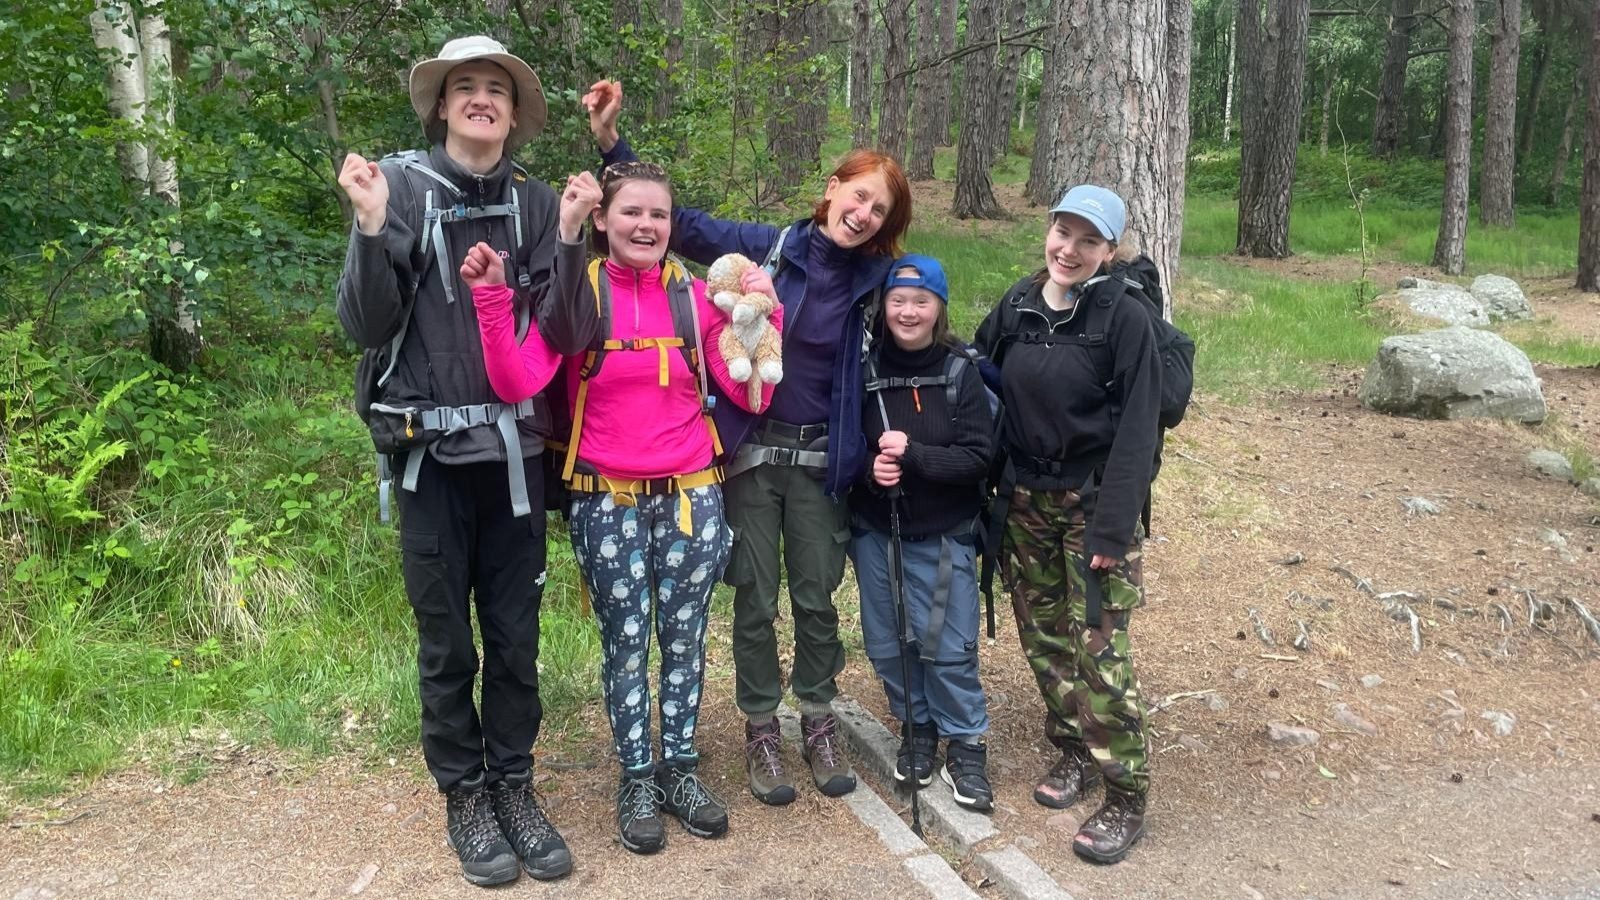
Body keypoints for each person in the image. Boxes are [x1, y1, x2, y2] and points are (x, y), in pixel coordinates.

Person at [580, 80, 913, 805]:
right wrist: (611, 145)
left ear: (886, 223)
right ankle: (763, 728)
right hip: (753, 456)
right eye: (855, 195)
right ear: (831, 189)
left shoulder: (881, 282)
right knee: (756, 598)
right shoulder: (774, 247)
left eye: (877, 209)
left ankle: (817, 716)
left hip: (827, 461)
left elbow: (925, 336)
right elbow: (681, 226)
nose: (861, 213)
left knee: (819, 598)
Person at [473, 159, 781, 853]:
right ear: (604, 220)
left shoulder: (696, 296)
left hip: (694, 497)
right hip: (604, 497)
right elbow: (515, 376)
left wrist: (761, 322)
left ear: (673, 226)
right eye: (632, 212)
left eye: (660, 215)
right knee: (626, 641)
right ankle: (637, 777)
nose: (646, 225)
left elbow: (751, 395)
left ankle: (679, 769)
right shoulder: (575, 289)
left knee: (684, 640)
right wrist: (494, 301)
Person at [335, 35, 571, 886]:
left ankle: (514, 785)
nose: (479, 99)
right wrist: (369, 228)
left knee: (515, 639)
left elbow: (554, 329)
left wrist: (561, 251)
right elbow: (366, 327)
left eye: (495, 90)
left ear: (513, 112)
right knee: (447, 644)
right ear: (440, 106)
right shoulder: (395, 187)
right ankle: (464, 795)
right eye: (463, 87)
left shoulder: (539, 203)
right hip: (429, 459)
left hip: (515, 456)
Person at [973, 185, 1161, 864]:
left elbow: (1140, 427)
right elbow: (976, 372)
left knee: (1100, 653)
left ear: (1110, 250)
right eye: (1063, 232)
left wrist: (1113, 531)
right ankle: (1075, 751)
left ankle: (1126, 792)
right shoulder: (1020, 302)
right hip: (1024, 501)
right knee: (1045, 640)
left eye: (1089, 240)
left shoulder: (1126, 317)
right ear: (1047, 230)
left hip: (1093, 507)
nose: (1070, 250)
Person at [850, 255, 996, 811]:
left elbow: (979, 456)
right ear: (883, 306)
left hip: (942, 534)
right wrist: (870, 469)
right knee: (888, 642)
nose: (908, 312)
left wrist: (914, 457)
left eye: (921, 301)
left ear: (939, 307)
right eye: (898, 301)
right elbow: (845, 444)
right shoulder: (863, 369)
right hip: (875, 531)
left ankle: (965, 745)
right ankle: (917, 729)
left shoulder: (960, 370)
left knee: (948, 646)